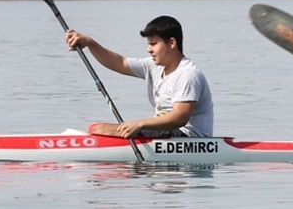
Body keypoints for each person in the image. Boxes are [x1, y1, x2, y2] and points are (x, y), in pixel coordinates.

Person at [64, 15, 214, 139]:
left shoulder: (187, 74)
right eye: (149, 44)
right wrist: (90, 43)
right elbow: (120, 63)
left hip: (190, 139)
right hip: (167, 134)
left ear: (172, 43)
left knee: (100, 128)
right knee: (96, 128)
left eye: (154, 44)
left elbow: (180, 118)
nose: (149, 49)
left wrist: (139, 124)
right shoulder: (153, 66)